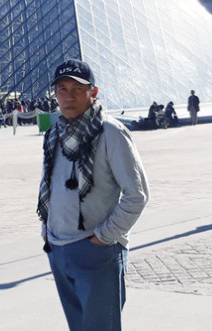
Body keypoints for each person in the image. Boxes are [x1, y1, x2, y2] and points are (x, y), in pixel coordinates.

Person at [37, 59, 149, 331]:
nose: (68, 96)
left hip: (96, 249)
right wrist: (47, 229)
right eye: (62, 89)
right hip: (58, 249)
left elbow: (137, 194)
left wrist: (103, 238)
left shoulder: (110, 132)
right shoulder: (54, 133)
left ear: (93, 92)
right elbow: (48, 184)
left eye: (77, 88)